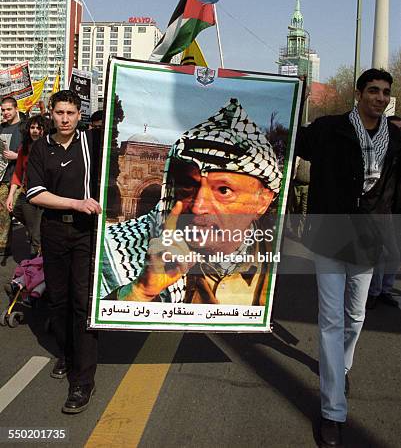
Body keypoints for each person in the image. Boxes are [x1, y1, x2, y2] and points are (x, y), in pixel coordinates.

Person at [297, 68, 401, 448]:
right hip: (330, 235)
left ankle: (340, 369)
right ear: (358, 95)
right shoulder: (329, 129)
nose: (380, 97)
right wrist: (288, 97)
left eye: (385, 92)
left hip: (369, 239)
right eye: (373, 90)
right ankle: (332, 411)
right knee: (330, 319)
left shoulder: (396, 138)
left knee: (356, 315)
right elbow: (294, 139)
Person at [102, 98, 282, 305]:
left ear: (263, 200)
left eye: (224, 190)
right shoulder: (117, 247)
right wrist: (141, 291)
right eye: (188, 186)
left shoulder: (280, 256)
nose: (198, 206)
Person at [26, 90, 101, 414]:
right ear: (51, 114)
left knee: (82, 301)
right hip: (54, 230)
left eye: (71, 112)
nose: (65, 118)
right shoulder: (42, 147)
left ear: (80, 113)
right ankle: (66, 355)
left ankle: (82, 381)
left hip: (85, 233)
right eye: (60, 113)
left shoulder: (92, 144)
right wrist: (74, 203)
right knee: (58, 299)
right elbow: (35, 193)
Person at [366, 114, 401, 310]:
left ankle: (384, 290)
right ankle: (374, 292)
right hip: (382, 211)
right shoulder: (378, 155)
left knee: (395, 254)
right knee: (381, 254)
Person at [6, 115, 49, 256]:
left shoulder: (50, 147)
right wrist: (11, 195)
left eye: (39, 128)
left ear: (44, 130)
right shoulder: (24, 147)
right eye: (32, 127)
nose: (35, 131)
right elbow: (18, 173)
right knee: (17, 211)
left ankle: (41, 262)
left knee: (36, 234)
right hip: (26, 194)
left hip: (44, 196)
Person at [0, 96, 22, 254]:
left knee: (18, 210)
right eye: (3, 110)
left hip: (20, 177)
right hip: (3, 177)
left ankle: (37, 246)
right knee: (3, 213)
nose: (6, 113)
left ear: (16, 109)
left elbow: (34, 149)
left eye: (9, 109)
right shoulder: (1, 128)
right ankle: (4, 246)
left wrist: (17, 156)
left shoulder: (25, 127)